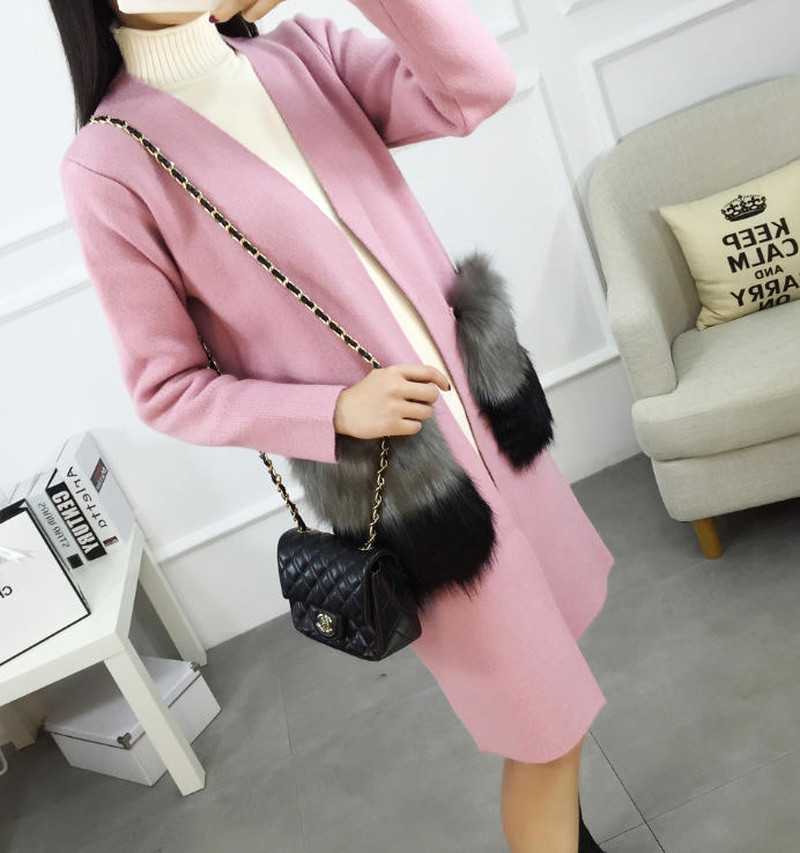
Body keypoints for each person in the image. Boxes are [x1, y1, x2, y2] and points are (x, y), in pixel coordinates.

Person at [50, 1, 615, 850]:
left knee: (559, 678)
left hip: (489, 419)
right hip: (410, 484)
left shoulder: (302, 51)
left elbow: (476, 88)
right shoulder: (110, 161)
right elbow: (167, 387)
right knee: (544, 730)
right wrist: (335, 412)